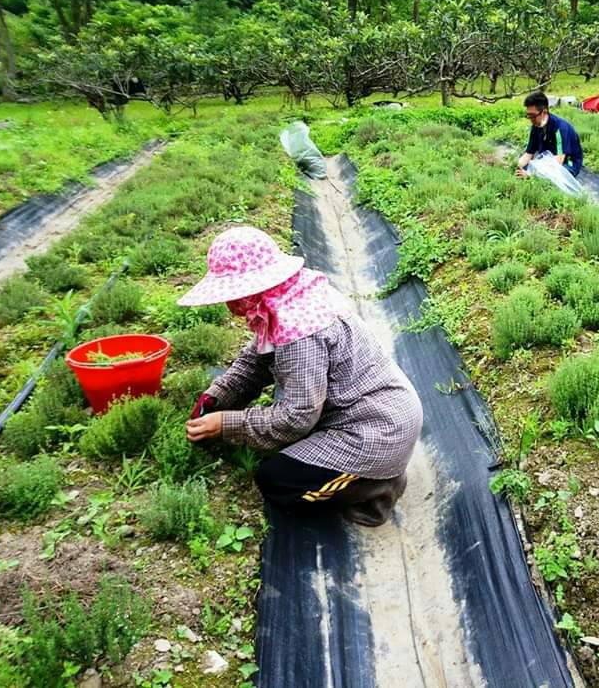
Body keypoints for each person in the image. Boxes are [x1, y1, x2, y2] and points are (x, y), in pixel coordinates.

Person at [178, 226, 423, 527]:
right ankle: (371, 469)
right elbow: (256, 360)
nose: (230, 307)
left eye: (233, 295)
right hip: (375, 409)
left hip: (376, 432)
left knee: (278, 482)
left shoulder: (299, 331)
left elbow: (297, 416)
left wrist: (226, 424)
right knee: (285, 453)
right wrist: (218, 396)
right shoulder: (288, 296)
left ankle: (375, 485)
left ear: (254, 287)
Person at [517, 91, 583, 178]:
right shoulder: (536, 127)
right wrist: (516, 166)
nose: (530, 119)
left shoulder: (560, 128)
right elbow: (529, 153)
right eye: (528, 116)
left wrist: (532, 175)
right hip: (547, 161)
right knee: (522, 168)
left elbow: (559, 161)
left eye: (533, 116)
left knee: (556, 177)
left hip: (566, 164)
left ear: (544, 112)